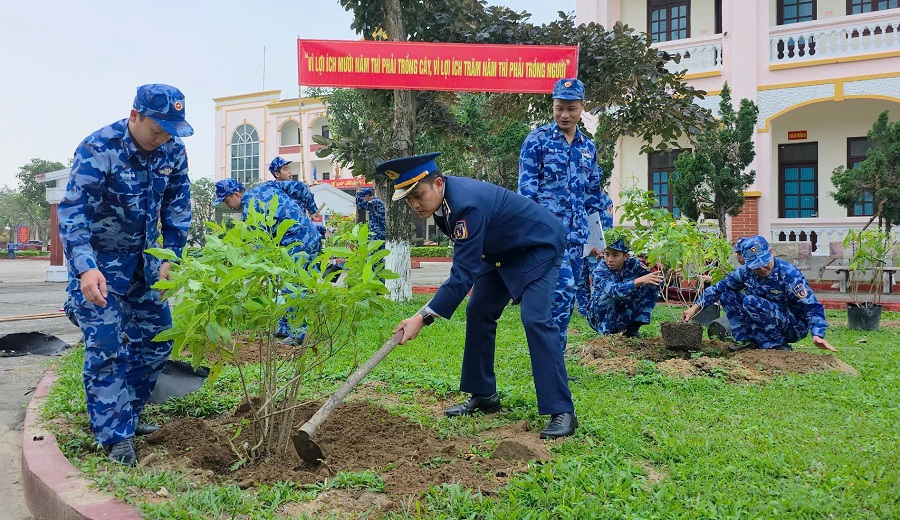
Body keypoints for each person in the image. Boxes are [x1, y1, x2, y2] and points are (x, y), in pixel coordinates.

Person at [389, 152, 578, 439]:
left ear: (438, 184)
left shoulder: (466, 205)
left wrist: (422, 317)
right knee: (478, 310)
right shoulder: (445, 202)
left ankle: (563, 411)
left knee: (535, 320)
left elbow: (462, 275)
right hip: (502, 251)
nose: (415, 204)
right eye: (409, 199)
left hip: (537, 247)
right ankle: (484, 394)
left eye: (418, 194)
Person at [58, 84, 194, 466]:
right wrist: (84, 267)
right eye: (157, 129)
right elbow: (73, 213)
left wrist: (173, 257)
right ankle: (114, 435)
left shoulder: (171, 148)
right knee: (106, 347)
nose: (163, 137)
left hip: (146, 266)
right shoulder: (97, 149)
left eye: (170, 130)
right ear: (135, 115)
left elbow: (178, 205)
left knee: (156, 342)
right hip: (98, 268)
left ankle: (127, 417)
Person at [519, 78, 613, 351]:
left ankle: (554, 360)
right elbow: (527, 195)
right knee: (560, 294)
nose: (564, 114)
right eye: (559, 107)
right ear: (553, 105)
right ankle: (549, 359)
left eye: (571, 108)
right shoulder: (537, 141)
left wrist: (598, 240)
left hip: (577, 240)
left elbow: (594, 195)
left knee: (566, 299)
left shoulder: (588, 147)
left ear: (582, 107)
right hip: (547, 237)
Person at [682, 235, 836, 353]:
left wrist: (817, 334)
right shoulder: (745, 272)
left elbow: (812, 307)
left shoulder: (789, 275)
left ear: (771, 252)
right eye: (756, 266)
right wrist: (694, 308)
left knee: (751, 301)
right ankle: (752, 340)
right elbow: (718, 289)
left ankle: (777, 345)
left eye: (764, 263)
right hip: (763, 318)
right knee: (727, 295)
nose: (762, 269)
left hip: (793, 325)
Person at [214, 178, 321, 343]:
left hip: (296, 242)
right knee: (296, 282)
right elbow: (301, 187)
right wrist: (312, 209)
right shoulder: (268, 186)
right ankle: (285, 327)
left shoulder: (249, 210)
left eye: (226, 200)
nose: (227, 205)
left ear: (236, 194)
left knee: (293, 286)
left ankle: (300, 334)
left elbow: (260, 243)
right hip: (311, 236)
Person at [586, 238, 664, 337]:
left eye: (615, 255)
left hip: (623, 313)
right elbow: (614, 291)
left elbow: (656, 280)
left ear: (625, 256)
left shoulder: (633, 264)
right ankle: (605, 334)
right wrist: (637, 281)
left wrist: (669, 276)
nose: (610, 259)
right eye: (606, 254)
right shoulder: (600, 271)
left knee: (651, 285)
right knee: (609, 296)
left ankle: (632, 329)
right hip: (597, 318)